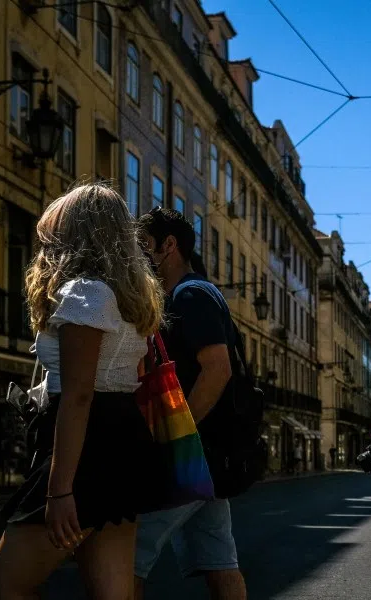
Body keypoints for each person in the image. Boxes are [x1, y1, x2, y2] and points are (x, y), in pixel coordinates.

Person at [0, 183, 165, 599]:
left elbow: (80, 395)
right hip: (120, 439)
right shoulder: (125, 294)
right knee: (112, 594)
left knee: (6, 587)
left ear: (77, 235)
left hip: (86, 444)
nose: (45, 246)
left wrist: (60, 488)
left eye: (52, 235)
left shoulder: (86, 293)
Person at [135, 207, 247, 600]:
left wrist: (178, 436)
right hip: (208, 456)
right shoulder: (191, 293)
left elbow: (218, 369)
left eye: (144, 245)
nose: (138, 254)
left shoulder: (191, 295)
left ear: (169, 246)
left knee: (124, 553)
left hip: (191, 454)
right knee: (219, 560)